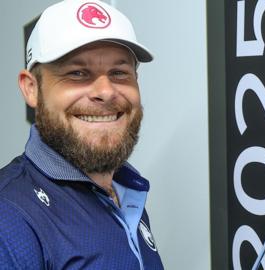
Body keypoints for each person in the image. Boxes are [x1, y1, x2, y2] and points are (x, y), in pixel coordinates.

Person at [0, 0, 164, 269]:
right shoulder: (9, 221)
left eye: (119, 72)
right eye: (77, 73)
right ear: (31, 88)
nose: (106, 91)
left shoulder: (125, 189)